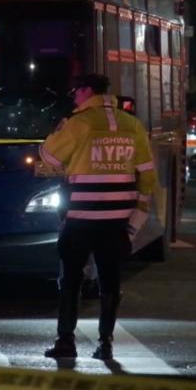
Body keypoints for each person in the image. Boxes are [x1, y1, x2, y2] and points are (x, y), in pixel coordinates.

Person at [39, 74, 157, 360]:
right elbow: (148, 175)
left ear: (87, 91)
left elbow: (49, 157)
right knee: (110, 279)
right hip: (117, 219)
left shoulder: (79, 123)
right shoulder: (132, 125)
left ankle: (66, 341)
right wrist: (138, 214)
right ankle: (105, 344)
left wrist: (61, 139)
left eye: (76, 92)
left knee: (70, 278)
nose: (74, 97)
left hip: (80, 216)